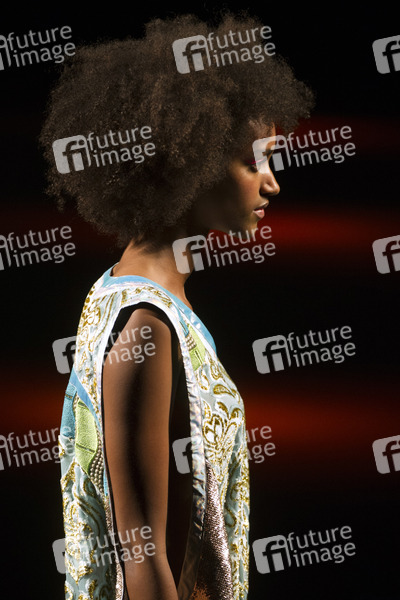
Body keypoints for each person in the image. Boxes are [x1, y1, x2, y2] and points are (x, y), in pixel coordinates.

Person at [40, 11, 313, 600]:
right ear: (194, 161)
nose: (272, 183)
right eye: (253, 162)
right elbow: (141, 560)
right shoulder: (146, 323)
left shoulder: (129, 292)